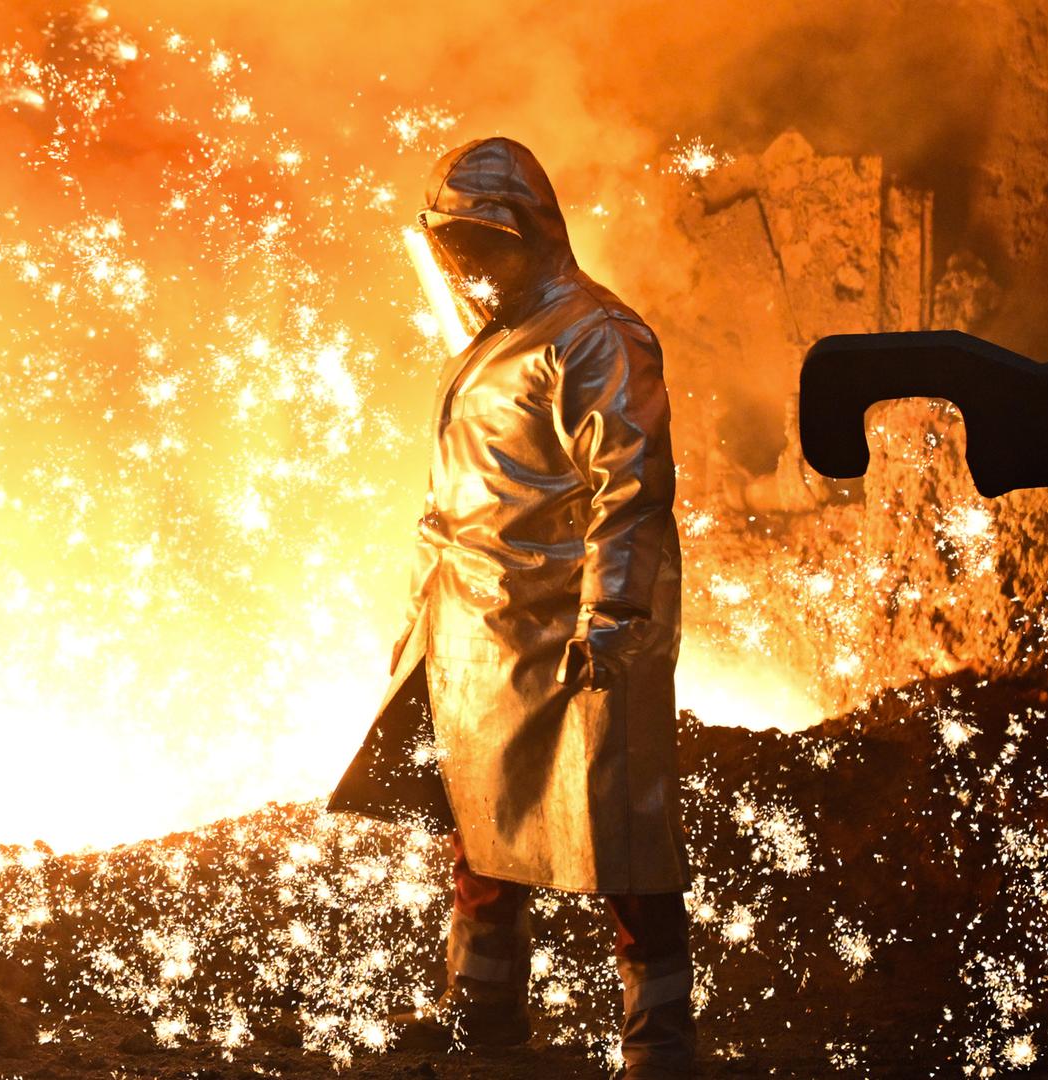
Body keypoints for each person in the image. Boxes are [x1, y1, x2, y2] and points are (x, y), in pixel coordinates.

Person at [328, 136, 695, 1078]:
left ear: (535, 233)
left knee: (623, 838)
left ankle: (658, 1041)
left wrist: (611, 614)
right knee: (480, 830)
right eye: (456, 250)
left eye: (485, 247)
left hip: (564, 628)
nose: (469, 268)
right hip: (474, 634)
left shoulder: (596, 335)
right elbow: (445, 504)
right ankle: (481, 1020)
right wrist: (421, 618)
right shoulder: (487, 349)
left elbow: (631, 484)